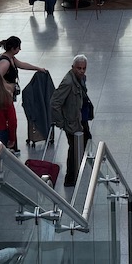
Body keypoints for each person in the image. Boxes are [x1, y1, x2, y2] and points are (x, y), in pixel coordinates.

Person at [50, 56, 92, 185]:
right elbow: (55, 102)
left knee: (86, 141)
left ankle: (79, 169)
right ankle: (70, 179)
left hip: (80, 119)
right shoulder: (68, 82)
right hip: (72, 122)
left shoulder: (81, 78)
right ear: (73, 67)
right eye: (79, 68)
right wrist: (61, 122)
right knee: (74, 149)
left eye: (84, 68)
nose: (82, 71)